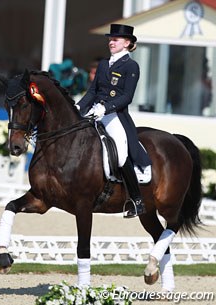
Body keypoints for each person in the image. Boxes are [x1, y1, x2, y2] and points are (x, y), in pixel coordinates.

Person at [78, 24, 151, 218]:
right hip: (94, 111)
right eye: (110, 39)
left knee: (119, 153)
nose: (111, 42)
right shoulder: (103, 64)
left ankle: (136, 200)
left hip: (114, 115)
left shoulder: (131, 66)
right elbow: (93, 91)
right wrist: (78, 107)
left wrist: (106, 108)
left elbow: (127, 97)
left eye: (116, 40)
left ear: (127, 43)